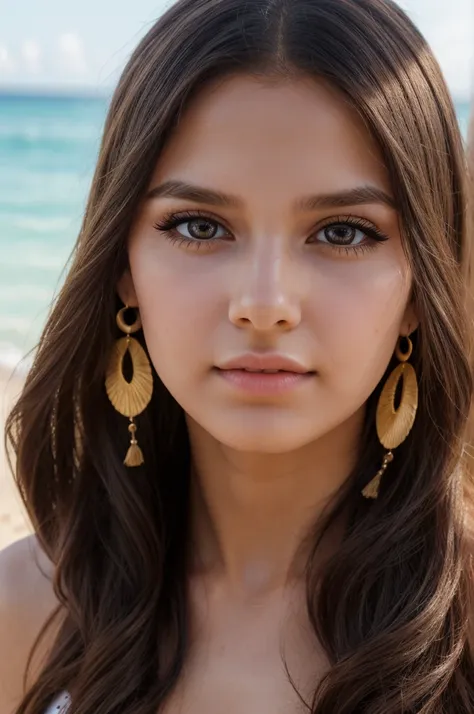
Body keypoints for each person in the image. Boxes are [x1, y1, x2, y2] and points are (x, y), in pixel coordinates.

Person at [1, 0, 474, 711]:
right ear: (123, 266)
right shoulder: (27, 609)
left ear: (419, 286)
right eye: (199, 224)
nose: (264, 301)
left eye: (343, 233)